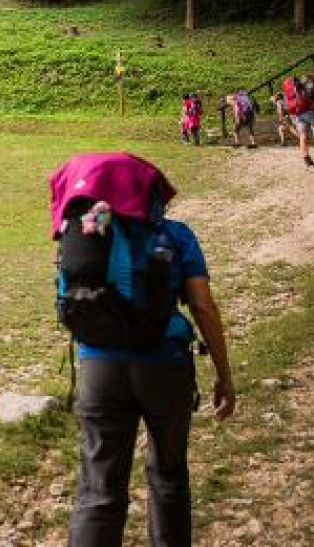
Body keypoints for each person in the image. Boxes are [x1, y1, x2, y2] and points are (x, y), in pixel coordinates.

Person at [53, 154, 236, 546]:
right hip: (165, 366)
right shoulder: (177, 235)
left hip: (99, 366)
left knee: (98, 491)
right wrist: (224, 374)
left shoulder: (88, 235)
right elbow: (203, 305)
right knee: (168, 477)